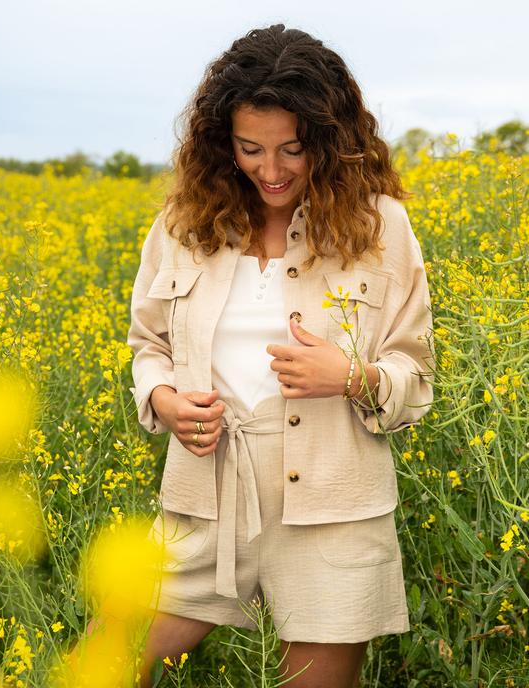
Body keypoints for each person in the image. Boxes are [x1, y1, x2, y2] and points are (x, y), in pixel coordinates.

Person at [127, 24, 435, 688]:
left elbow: (415, 376)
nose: (270, 171)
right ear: (223, 143)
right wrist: (164, 400)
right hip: (202, 495)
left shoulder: (381, 226)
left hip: (333, 508)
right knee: (106, 660)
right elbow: (148, 345)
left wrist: (351, 377)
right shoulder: (182, 225)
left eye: (292, 149)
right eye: (250, 149)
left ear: (329, 140)